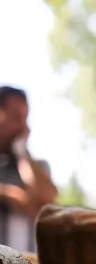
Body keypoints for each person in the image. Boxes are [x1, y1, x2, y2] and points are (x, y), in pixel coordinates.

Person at [0, 86, 58, 221]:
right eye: (15, 117)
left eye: (25, 119)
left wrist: (22, 152)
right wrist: (7, 195)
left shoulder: (35, 166)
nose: (24, 127)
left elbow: (48, 198)